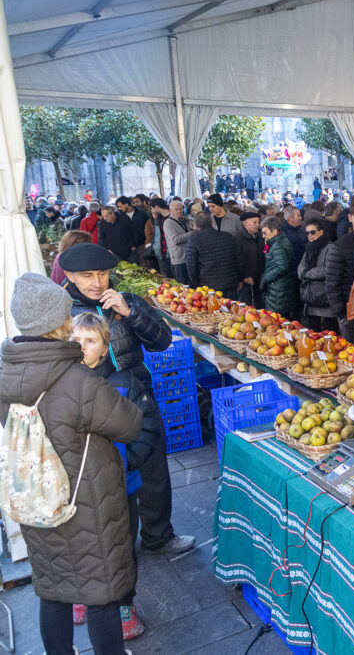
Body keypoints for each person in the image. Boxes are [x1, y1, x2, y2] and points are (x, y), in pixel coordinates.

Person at [0, 275, 143, 655]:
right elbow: (129, 424)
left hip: (36, 500)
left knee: (52, 589)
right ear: (58, 322)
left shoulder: (5, 374)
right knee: (100, 594)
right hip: (86, 503)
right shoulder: (78, 380)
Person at [57, 244, 194, 557]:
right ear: (70, 276)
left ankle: (158, 535)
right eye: (87, 275)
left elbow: (162, 340)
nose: (97, 282)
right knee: (103, 478)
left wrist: (130, 313)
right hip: (93, 408)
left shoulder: (126, 301)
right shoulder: (63, 313)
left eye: (103, 274)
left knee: (153, 470)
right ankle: (114, 548)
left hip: (138, 400)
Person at [69, 312, 163, 640]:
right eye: (75, 340)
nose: (82, 347)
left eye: (90, 340)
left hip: (121, 486)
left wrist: (127, 463)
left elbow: (148, 424)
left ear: (105, 345)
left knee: (121, 545)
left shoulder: (125, 384)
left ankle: (125, 604)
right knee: (81, 544)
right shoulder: (63, 385)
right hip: (77, 487)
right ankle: (82, 594)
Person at [326, 194, 354, 342]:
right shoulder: (339, 246)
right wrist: (341, 314)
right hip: (350, 312)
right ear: (350, 218)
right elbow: (332, 283)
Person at [186, 212, 243, 294]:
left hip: (208, 286)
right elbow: (239, 260)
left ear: (196, 225)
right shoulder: (228, 236)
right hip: (230, 282)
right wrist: (240, 279)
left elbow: (191, 266)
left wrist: (196, 284)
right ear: (212, 223)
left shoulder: (194, 240)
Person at [297, 218, 336, 332]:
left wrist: (307, 274)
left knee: (330, 333)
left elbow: (328, 269)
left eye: (312, 232)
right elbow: (301, 265)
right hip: (311, 299)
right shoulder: (309, 248)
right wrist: (303, 273)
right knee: (313, 333)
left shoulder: (330, 248)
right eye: (307, 233)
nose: (310, 235)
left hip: (325, 298)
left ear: (321, 232)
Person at [260, 216, 300, 318]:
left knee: (277, 320)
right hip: (281, 288)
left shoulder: (278, 245)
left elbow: (282, 267)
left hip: (278, 291)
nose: (263, 236)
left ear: (274, 231)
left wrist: (267, 277)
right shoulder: (280, 241)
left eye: (265, 232)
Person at [235, 211, 264, 306]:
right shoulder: (238, 238)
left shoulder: (260, 236)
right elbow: (238, 259)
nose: (257, 225)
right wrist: (244, 276)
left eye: (258, 222)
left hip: (259, 277)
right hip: (246, 281)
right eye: (254, 222)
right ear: (245, 223)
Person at [162, 199, 191, 286]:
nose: (179, 211)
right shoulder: (168, 223)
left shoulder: (184, 220)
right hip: (179, 259)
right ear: (171, 210)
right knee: (183, 285)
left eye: (181, 209)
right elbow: (175, 239)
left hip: (188, 257)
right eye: (176, 209)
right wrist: (191, 233)